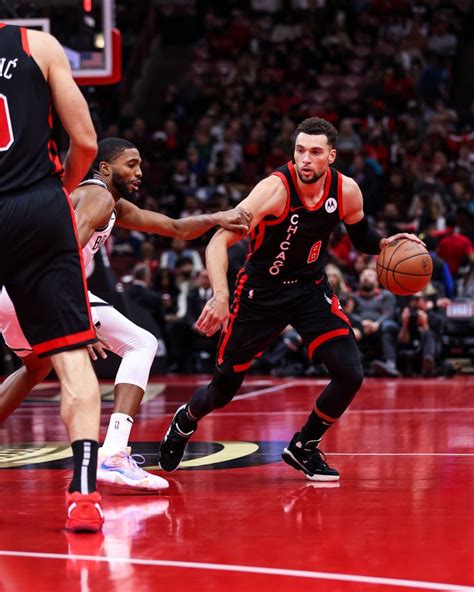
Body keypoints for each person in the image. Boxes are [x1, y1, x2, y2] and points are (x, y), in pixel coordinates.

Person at [158, 117, 423, 481]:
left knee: (349, 373)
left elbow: (360, 233)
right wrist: (219, 295)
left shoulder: (346, 191)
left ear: (331, 155)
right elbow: (219, 240)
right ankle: (185, 421)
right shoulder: (273, 191)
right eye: (300, 151)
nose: (306, 159)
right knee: (223, 390)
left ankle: (304, 446)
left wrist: (382, 244)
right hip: (260, 294)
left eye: (315, 152)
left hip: (309, 288)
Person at [0, 137, 251, 490]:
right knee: (141, 343)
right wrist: (78, 318)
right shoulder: (97, 196)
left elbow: (174, 228)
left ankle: (114, 453)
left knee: (36, 366)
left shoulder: (113, 204)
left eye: (140, 164)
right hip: (44, 287)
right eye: (130, 164)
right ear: (104, 168)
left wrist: (217, 217)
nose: (139, 172)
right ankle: (115, 454)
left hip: (14, 290)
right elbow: (65, 252)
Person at [0, 24, 102, 531]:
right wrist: (57, 192)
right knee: (70, 356)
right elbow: (84, 139)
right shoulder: (35, 45)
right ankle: (84, 494)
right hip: (38, 206)